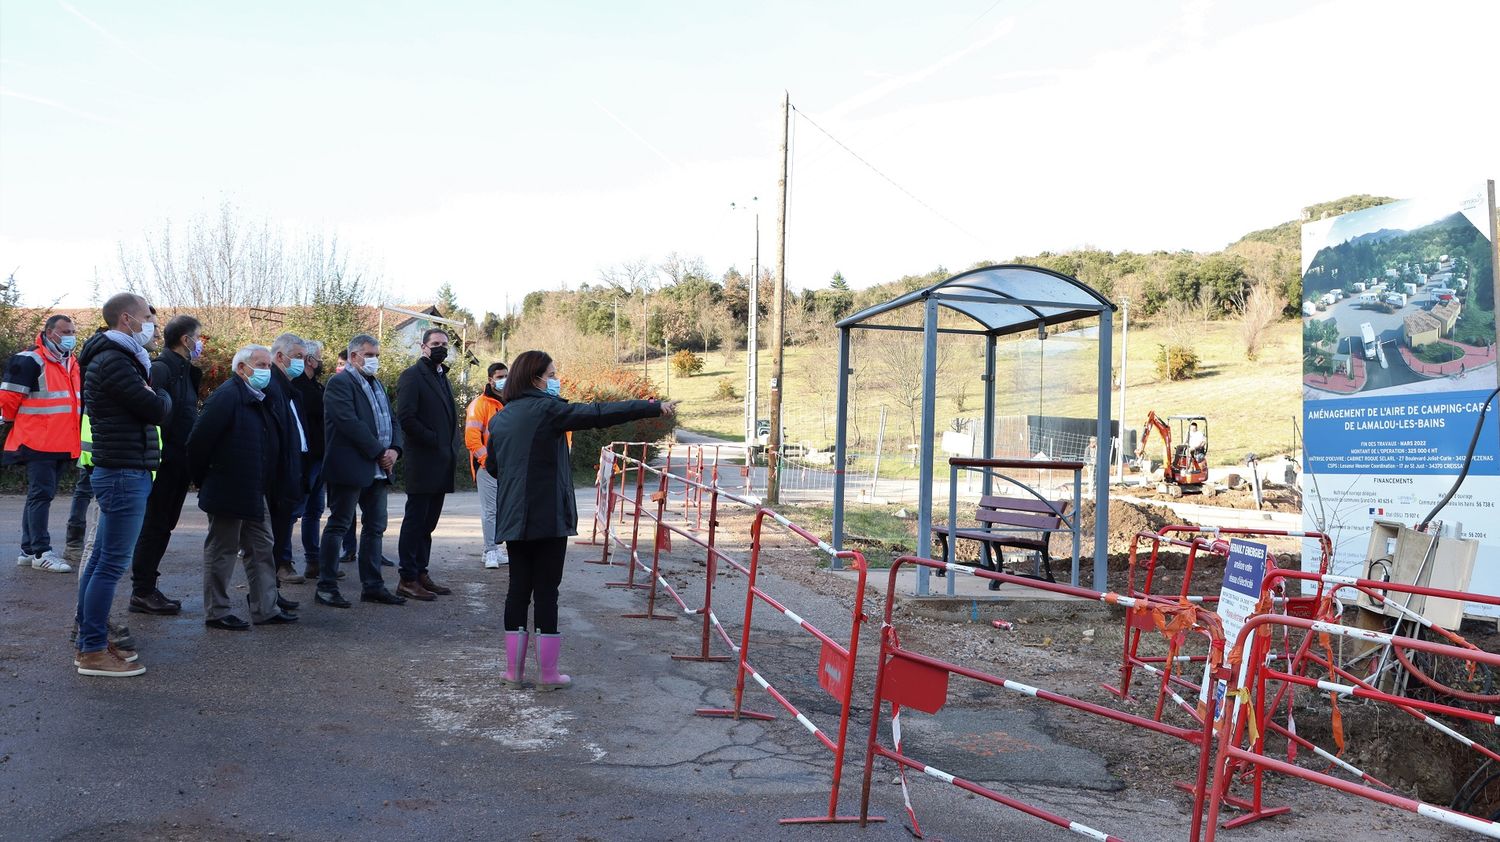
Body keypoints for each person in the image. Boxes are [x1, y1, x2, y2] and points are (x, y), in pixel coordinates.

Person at [488, 350, 676, 689]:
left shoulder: (500, 418)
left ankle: (513, 673)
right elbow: (600, 413)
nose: (555, 380)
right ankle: (548, 676)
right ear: (536, 378)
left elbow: (492, 467)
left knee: (517, 591)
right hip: (547, 516)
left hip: (514, 516)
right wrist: (650, 406)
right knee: (546, 592)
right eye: (552, 373)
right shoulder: (549, 409)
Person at [74, 292, 171, 677]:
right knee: (110, 565)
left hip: (122, 469)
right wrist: (159, 393)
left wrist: (153, 394)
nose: (153, 324)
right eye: (148, 316)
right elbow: (156, 409)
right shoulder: (115, 360)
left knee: (101, 561)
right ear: (127, 319)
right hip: (123, 471)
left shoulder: (121, 358)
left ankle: (91, 640)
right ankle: (92, 650)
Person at [188, 345, 299, 629]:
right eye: (260, 365)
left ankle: (266, 607)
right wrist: (206, 480)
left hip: (254, 490)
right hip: (228, 488)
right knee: (222, 551)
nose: (266, 370)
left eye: (267, 366)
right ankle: (217, 611)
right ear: (241, 368)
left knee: (262, 547)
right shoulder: (227, 397)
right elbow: (198, 443)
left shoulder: (260, 398)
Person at [315, 334, 405, 608]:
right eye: (369, 354)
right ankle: (326, 586)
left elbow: (393, 420)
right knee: (339, 525)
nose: (374, 359)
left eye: (376, 354)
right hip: (351, 467)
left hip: (378, 468)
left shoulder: (377, 384)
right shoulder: (339, 383)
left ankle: (373, 585)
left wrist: (395, 450)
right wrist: (380, 452)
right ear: (353, 356)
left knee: (375, 527)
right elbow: (348, 422)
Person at [128, 315, 203, 614]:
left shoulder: (184, 371)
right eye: (199, 337)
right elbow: (149, 413)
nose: (201, 343)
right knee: (154, 525)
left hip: (178, 461)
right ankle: (142, 591)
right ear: (186, 340)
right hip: (162, 462)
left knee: (164, 526)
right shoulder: (162, 369)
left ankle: (146, 588)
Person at [2, 314, 82, 573]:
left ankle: (29, 550)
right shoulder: (30, 359)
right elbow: (8, 400)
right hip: (38, 440)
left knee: (39, 495)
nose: (70, 335)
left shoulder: (70, 361)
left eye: (72, 330)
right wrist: (25, 426)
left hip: (60, 440)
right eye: (65, 331)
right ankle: (40, 552)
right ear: (49, 332)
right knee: (41, 495)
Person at [394, 328, 458, 601]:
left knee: (429, 523)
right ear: (423, 347)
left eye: (444, 344)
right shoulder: (412, 376)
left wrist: (449, 445)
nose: (440, 348)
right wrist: (434, 439)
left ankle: (421, 572)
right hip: (423, 460)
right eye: (435, 344)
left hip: (442, 460)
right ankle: (407, 578)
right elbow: (406, 418)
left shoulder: (443, 377)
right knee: (416, 521)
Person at [266, 333, 310, 585]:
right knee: (271, 539)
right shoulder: (272, 387)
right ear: (280, 357)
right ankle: (268, 597)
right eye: (297, 357)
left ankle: (274, 595)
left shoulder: (290, 389)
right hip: (279, 476)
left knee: (281, 534)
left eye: (304, 358)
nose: (301, 363)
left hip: (293, 470)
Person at [292, 339, 338, 580]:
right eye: (318, 357)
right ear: (309, 360)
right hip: (305, 461)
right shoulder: (297, 388)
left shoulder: (317, 387)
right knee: (295, 510)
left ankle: (313, 561)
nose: (321, 362)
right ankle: (284, 562)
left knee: (315, 510)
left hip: (321, 459)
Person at [465, 362, 507, 569]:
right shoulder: (479, 405)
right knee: (490, 510)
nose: (503, 380)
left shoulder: (511, 402)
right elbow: (472, 439)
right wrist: (487, 462)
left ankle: (497, 548)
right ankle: (489, 550)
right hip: (487, 467)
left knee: (504, 509)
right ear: (490, 379)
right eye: (499, 376)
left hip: (508, 467)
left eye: (506, 376)